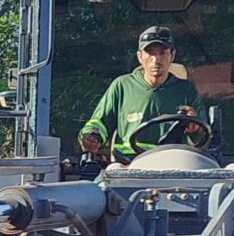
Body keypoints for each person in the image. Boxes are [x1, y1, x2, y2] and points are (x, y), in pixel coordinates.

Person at [77, 23, 205, 162]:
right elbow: (99, 123)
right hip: (128, 166)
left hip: (173, 165)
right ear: (139, 56)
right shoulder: (122, 86)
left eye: (162, 53)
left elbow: (203, 139)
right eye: (150, 53)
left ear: (172, 55)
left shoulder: (187, 91)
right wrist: (91, 136)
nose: (156, 60)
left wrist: (194, 130)